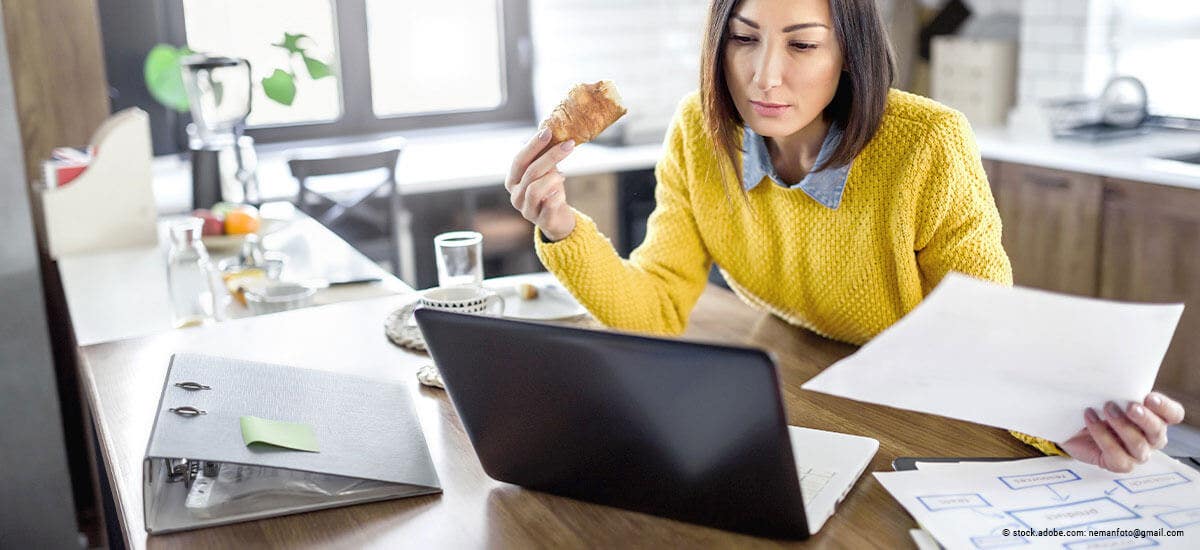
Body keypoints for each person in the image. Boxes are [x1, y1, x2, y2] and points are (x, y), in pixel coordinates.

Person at [504, 0, 1184, 473]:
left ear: (848, 52)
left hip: (918, 408)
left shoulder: (927, 145)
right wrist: (562, 230)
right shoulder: (698, 131)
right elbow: (655, 308)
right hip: (808, 391)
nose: (765, 75)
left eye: (802, 43)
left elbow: (987, 338)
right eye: (744, 38)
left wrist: (1071, 431)